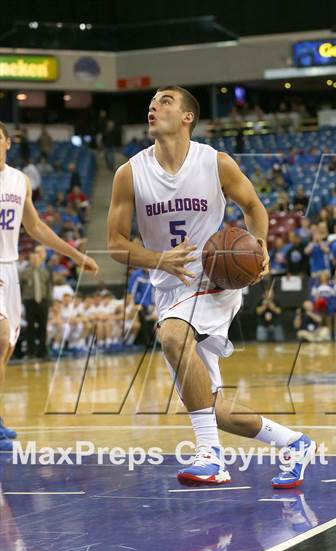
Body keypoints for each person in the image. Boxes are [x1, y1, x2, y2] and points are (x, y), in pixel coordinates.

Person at [107, 86, 316, 489]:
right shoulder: (129, 173)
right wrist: (157, 260)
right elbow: (115, 243)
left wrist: (260, 246)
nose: (154, 106)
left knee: (171, 334)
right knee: (210, 404)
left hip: (215, 277)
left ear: (188, 117)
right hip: (169, 287)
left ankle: (211, 456)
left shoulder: (215, 163)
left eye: (165, 101)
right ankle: (294, 443)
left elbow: (254, 207)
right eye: (152, 103)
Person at [0, 121, 98, 451]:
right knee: (0, 339)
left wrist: (74, 255)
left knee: (6, 348)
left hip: (11, 268)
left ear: (7, 142)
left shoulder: (20, 180)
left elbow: (36, 227)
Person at [19, 251, 52, 359]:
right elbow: (21, 287)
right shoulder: (24, 272)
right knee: (30, 328)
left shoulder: (45, 272)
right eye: (32, 259)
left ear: (40, 260)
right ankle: (30, 352)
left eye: (36, 259)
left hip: (43, 301)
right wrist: (22, 299)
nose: (35, 261)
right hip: (30, 301)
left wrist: (48, 300)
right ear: (30, 260)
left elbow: (49, 287)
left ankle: (43, 352)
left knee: (43, 327)